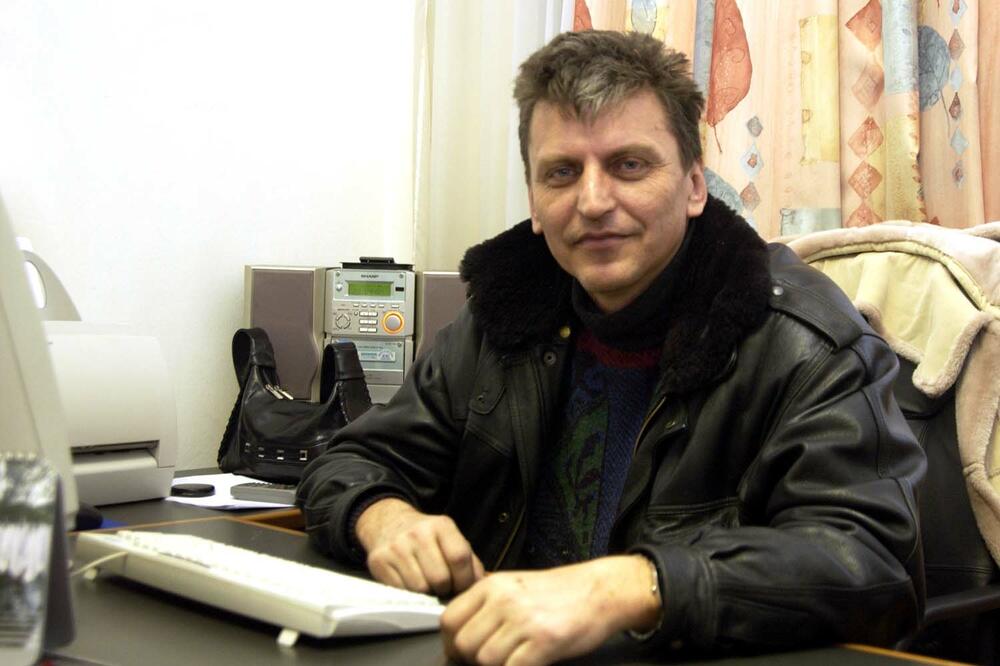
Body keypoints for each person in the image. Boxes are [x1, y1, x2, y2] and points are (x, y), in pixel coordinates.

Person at [297, 30, 925, 665]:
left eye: (629, 165)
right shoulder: (504, 317)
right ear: (535, 203)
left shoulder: (805, 342)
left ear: (695, 187)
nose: (593, 202)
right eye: (562, 173)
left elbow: (869, 560)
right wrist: (383, 517)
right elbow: (351, 460)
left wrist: (631, 586)